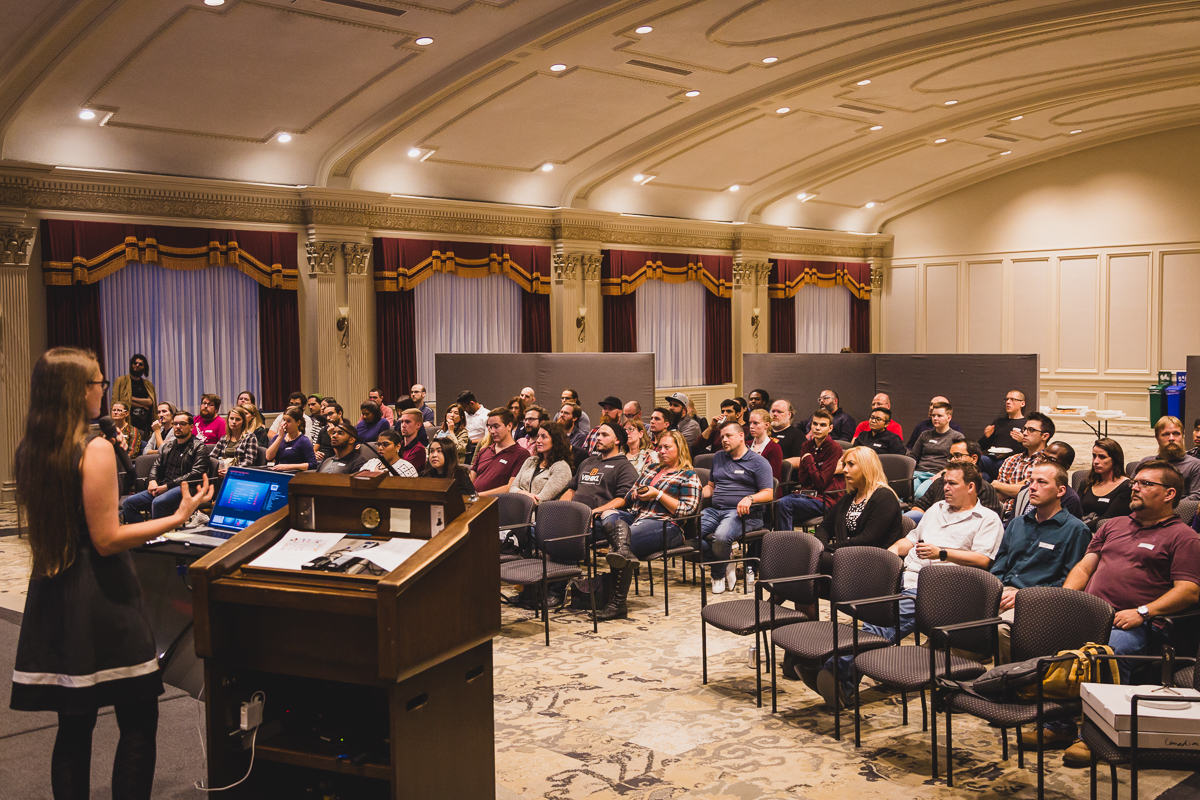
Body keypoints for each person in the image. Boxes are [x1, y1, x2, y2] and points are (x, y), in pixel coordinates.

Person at [12, 348, 213, 800]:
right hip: (102, 593)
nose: (105, 390)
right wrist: (178, 515)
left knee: (74, 722)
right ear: (78, 390)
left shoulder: (32, 448)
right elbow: (107, 537)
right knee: (139, 716)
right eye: (100, 383)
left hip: (54, 586)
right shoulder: (95, 448)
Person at [1038, 460, 1200, 766]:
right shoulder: (1113, 524)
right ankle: (1059, 725)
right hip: (1091, 613)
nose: (1134, 487)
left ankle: (1094, 736)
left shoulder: (1184, 537)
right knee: (1051, 638)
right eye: (1135, 482)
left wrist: (1143, 611)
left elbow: (1189, 590)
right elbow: (1085, 566)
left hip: (1142, 624)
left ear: (1169, 494)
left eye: (1145, 484)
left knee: (1107, 652)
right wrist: (1066, 603)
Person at [815, 461, 1003, 708]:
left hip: (942, 589)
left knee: (882, 626)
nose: (944, 488)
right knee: (870, 619)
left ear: (970, 487)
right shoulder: (936, 509)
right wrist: (893, 552)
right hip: (906, 577)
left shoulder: (987, 519)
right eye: (944, 482)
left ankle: (835, 672)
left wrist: (941, 553)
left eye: (951, 483)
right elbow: (910, 540)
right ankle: (839, 679)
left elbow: (984, 560)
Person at [592, 430, 702, 620]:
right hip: (635, 517)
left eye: (667, 447)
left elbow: (687, 510)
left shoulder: (689, 476)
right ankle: (569, 587)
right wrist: (635, 494)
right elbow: (627, 498)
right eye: (660, 447)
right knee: (608, 515)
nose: (661, 451)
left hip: (666, 524)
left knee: (624, 539)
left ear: (680, 449)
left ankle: (616, 603)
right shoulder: (651, 469)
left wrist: (657, 495)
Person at [990, 461, 1091, 662]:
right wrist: (995, 589)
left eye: (1042, 482)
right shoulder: (1017, 523)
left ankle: (1011, 682)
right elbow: (1000, 564)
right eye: (1031, 482)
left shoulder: (1076, 530)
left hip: (1041, 600)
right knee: (955, 611)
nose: (1032, 488)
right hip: (1004, 593)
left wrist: (1025, 596)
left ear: (1061, 490)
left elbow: (1069, 582)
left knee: (1001, 628)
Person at [802, 447, 903, 617]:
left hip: (871, 561)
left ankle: (766, 611)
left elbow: (868, 539)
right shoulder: (851, 496)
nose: (844, 470)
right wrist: (822, 546)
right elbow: (825, 526)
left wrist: (830, 549)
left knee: (806, 564)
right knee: (807, 582)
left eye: (850, 465)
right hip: (845, 556)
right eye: (844, 465)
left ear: (866, 466)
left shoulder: (884, 497)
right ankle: (808, 631)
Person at [557, 423, 639, 608]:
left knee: (566, 539)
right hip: (574, 517)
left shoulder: (624, 467)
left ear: (617, 440)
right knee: (537, 533)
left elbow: (623, 499)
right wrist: (560, 509)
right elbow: (572, 489)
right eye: (597, 434)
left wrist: (594, 512)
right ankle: (535, 589)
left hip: (598, 521)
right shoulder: (587, 462)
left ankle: (556, 590)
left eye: (604, 434)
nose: (598, 438)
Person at [699, 422, 774, 594]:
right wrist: (697, 495)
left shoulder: (758, 462)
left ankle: (717, 575)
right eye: (722, 436)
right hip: (715, 510)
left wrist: (750, 498)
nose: (724, 440)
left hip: (744, 513)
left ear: (741, 436)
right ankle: (725, 560)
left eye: (728, 436)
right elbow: (711, 487)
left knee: (721, 537)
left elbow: (769, 493)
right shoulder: (718, 457)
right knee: (689, 533)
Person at [121, 411, 209, 523]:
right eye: (175, 424)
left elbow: (196, 473)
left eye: (182, 424)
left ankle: (158, 536)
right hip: (163, 486)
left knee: (158, 502)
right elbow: (156, 465)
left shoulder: (199, 447)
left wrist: (167, 486)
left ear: (191, 427)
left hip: (185, 488)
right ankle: (143, 536)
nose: (177, 427)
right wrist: (152, 481)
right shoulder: (169, 446)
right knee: (129, 503)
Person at [776, 410, 845, 532]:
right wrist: (820, 472)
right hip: (808, 494)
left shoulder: (834, 448)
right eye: (815, 424)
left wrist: (809, 461)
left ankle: (786, 547)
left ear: (830, 428)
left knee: (785, 504)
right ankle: (783, 544)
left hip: (826, 499)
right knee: (775, 504)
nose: (817, 428)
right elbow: (803, 479)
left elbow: (821, 483)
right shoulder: (806, 446)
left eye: (822, 425)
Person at [906, 440, 1003, 523]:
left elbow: (986, 522)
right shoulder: (939, 482)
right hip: (933, 528)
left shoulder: (984, 488)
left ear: (974, 459)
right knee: (910, 517)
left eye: (957, 456)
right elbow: (920, 506)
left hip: (962, 535)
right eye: (951, 456)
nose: (952, 460)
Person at [993, 411, 1054, 517]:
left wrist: (999, 485)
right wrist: (1020, 486)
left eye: (1031, 430)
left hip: (1031, 517)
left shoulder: (1048, 464)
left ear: (1045, 436)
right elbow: (997, 495)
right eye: (1024, 429)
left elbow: (1033, 492)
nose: (1025, 433)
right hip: (1003, 515)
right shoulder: (1011, 460)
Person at [1131, 416, 1200, 501]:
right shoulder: (1146, 462)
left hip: (1179, 511)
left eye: (1176, 434)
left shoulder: (1195, 465)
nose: (1171, 438)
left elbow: (1196, 497)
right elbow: (1130, 489)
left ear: (1182, 437)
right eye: (1166, 434)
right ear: (1158, 439)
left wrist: (1164, 508)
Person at [908, 401, 966, 498]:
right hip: (918, 473)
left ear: (949, 418)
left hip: (937, 474)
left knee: (919, 494)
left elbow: (958, 461)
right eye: (933, 415)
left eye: (939, 416)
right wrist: (908, 472)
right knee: (900, 492)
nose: (935, 418)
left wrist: (943, 473)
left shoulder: (957, 437)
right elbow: (913, 456)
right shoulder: (925, 434)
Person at [508, 421, 573, 505]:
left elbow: (540, 500)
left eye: (543, 437)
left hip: (542, 514)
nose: (538, 440)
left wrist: (518, 493)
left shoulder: (561, 468)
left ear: (556, 440)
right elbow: (512, 488)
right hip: (519, 508)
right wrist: (525, 493)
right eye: (538, 436)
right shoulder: (531, 461)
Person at [469, 408, 530, 496]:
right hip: (475, 501)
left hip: (497, 503)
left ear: (509, 426)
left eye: (496, 427)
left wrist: (478, 496)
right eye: (490, 427)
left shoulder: (521, 454)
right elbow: (471, 479)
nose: (492, 431)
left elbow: (510, 487)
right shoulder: (484, 451)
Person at [1079, 437, 1132, 529]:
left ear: (1115, 460)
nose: (1095, 461)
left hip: (1106, 533)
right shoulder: (1087, 482)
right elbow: (1075, 511)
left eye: (1102, 457)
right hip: (1080, 529)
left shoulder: (1127, 486)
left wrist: (1077, 528)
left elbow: (1107, 519)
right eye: (1094, 456)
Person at [978, 390, 1028, 480]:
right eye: (1007, 399)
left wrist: (1022, 441)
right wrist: (986, 437)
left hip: (1012, 461)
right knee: (977, 462)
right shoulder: (998, 422)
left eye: (1013, 399)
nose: (1008, 402)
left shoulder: (1027, 424)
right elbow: (980, 447)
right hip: (992, 458)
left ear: (1022, 403)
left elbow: (1031, 450)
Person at [112, 353, 157, 441]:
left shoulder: (148, 385)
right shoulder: (121, 381)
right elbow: (118, 402)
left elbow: (151, 402)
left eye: (140, 364)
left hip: (144, 423)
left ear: (144, 367)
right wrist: (143, 405)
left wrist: (131, 398)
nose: (137, 365)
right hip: (128, 421)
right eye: (135, 363)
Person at [267, 407, 316, 472]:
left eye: (289, 421)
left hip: (294, 475)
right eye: (284, 420)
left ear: (298, 423)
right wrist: (280, 437)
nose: (285, 424)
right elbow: (268, 457)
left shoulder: (303, 441)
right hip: (278, 474)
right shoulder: (277, 438)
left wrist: (288, 467)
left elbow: (313, 464)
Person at [213, 406, 258, 475]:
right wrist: (218, 469)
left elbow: (249, 461)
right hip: (222, 472)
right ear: (228, 420)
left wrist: (232, 470)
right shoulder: (224, 438)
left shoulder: (250, 437)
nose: (234, 422)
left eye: (238, 419)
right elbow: (212, 457)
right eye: (231, 418)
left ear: (243, 421)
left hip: (241, 474)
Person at [746, 408, 783, 483]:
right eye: (750, 423)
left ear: (767, 425)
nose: (751, 426)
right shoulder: (746, 445)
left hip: (766, 488)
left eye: (755, 423)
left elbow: (772, 476)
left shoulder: (774, 448)